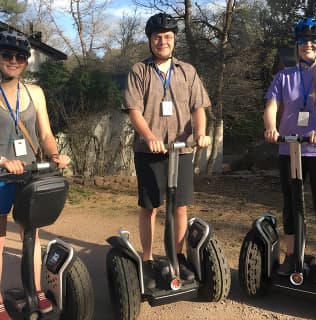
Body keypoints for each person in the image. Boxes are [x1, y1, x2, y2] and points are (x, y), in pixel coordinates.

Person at [123, 12, 211, 289]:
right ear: (150, 40)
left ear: (175, 40)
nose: (163, 42)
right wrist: (148, 136)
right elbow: (134, 110)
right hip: (149, 152)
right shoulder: (139, 70)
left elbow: (198, 107)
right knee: (149, 207)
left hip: (182, 151)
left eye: (168, 37)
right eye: (158, 37)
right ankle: (147, 260)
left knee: (180, 207)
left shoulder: (188, 71)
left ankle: (178, 256)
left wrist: (199, 133)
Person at [0, 29, 70, 319]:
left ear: (26, 62)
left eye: (20, 57)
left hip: (31, 173)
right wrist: (3, 161)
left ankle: (38, 290)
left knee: (33, 232)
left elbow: (45, 133)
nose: (13, 60)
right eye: (7, 55)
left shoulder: (35, 93)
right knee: (0, 236)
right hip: (2, 175)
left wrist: (54, 155)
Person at [264, 17, 316, 278]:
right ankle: (290, 256)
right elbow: (272, 105)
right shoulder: (284, 75)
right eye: (303, 41)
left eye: (313, 40)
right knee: (291, 204)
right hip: (289, 150)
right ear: (296, 45)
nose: (307, 44)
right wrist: (271, 127)